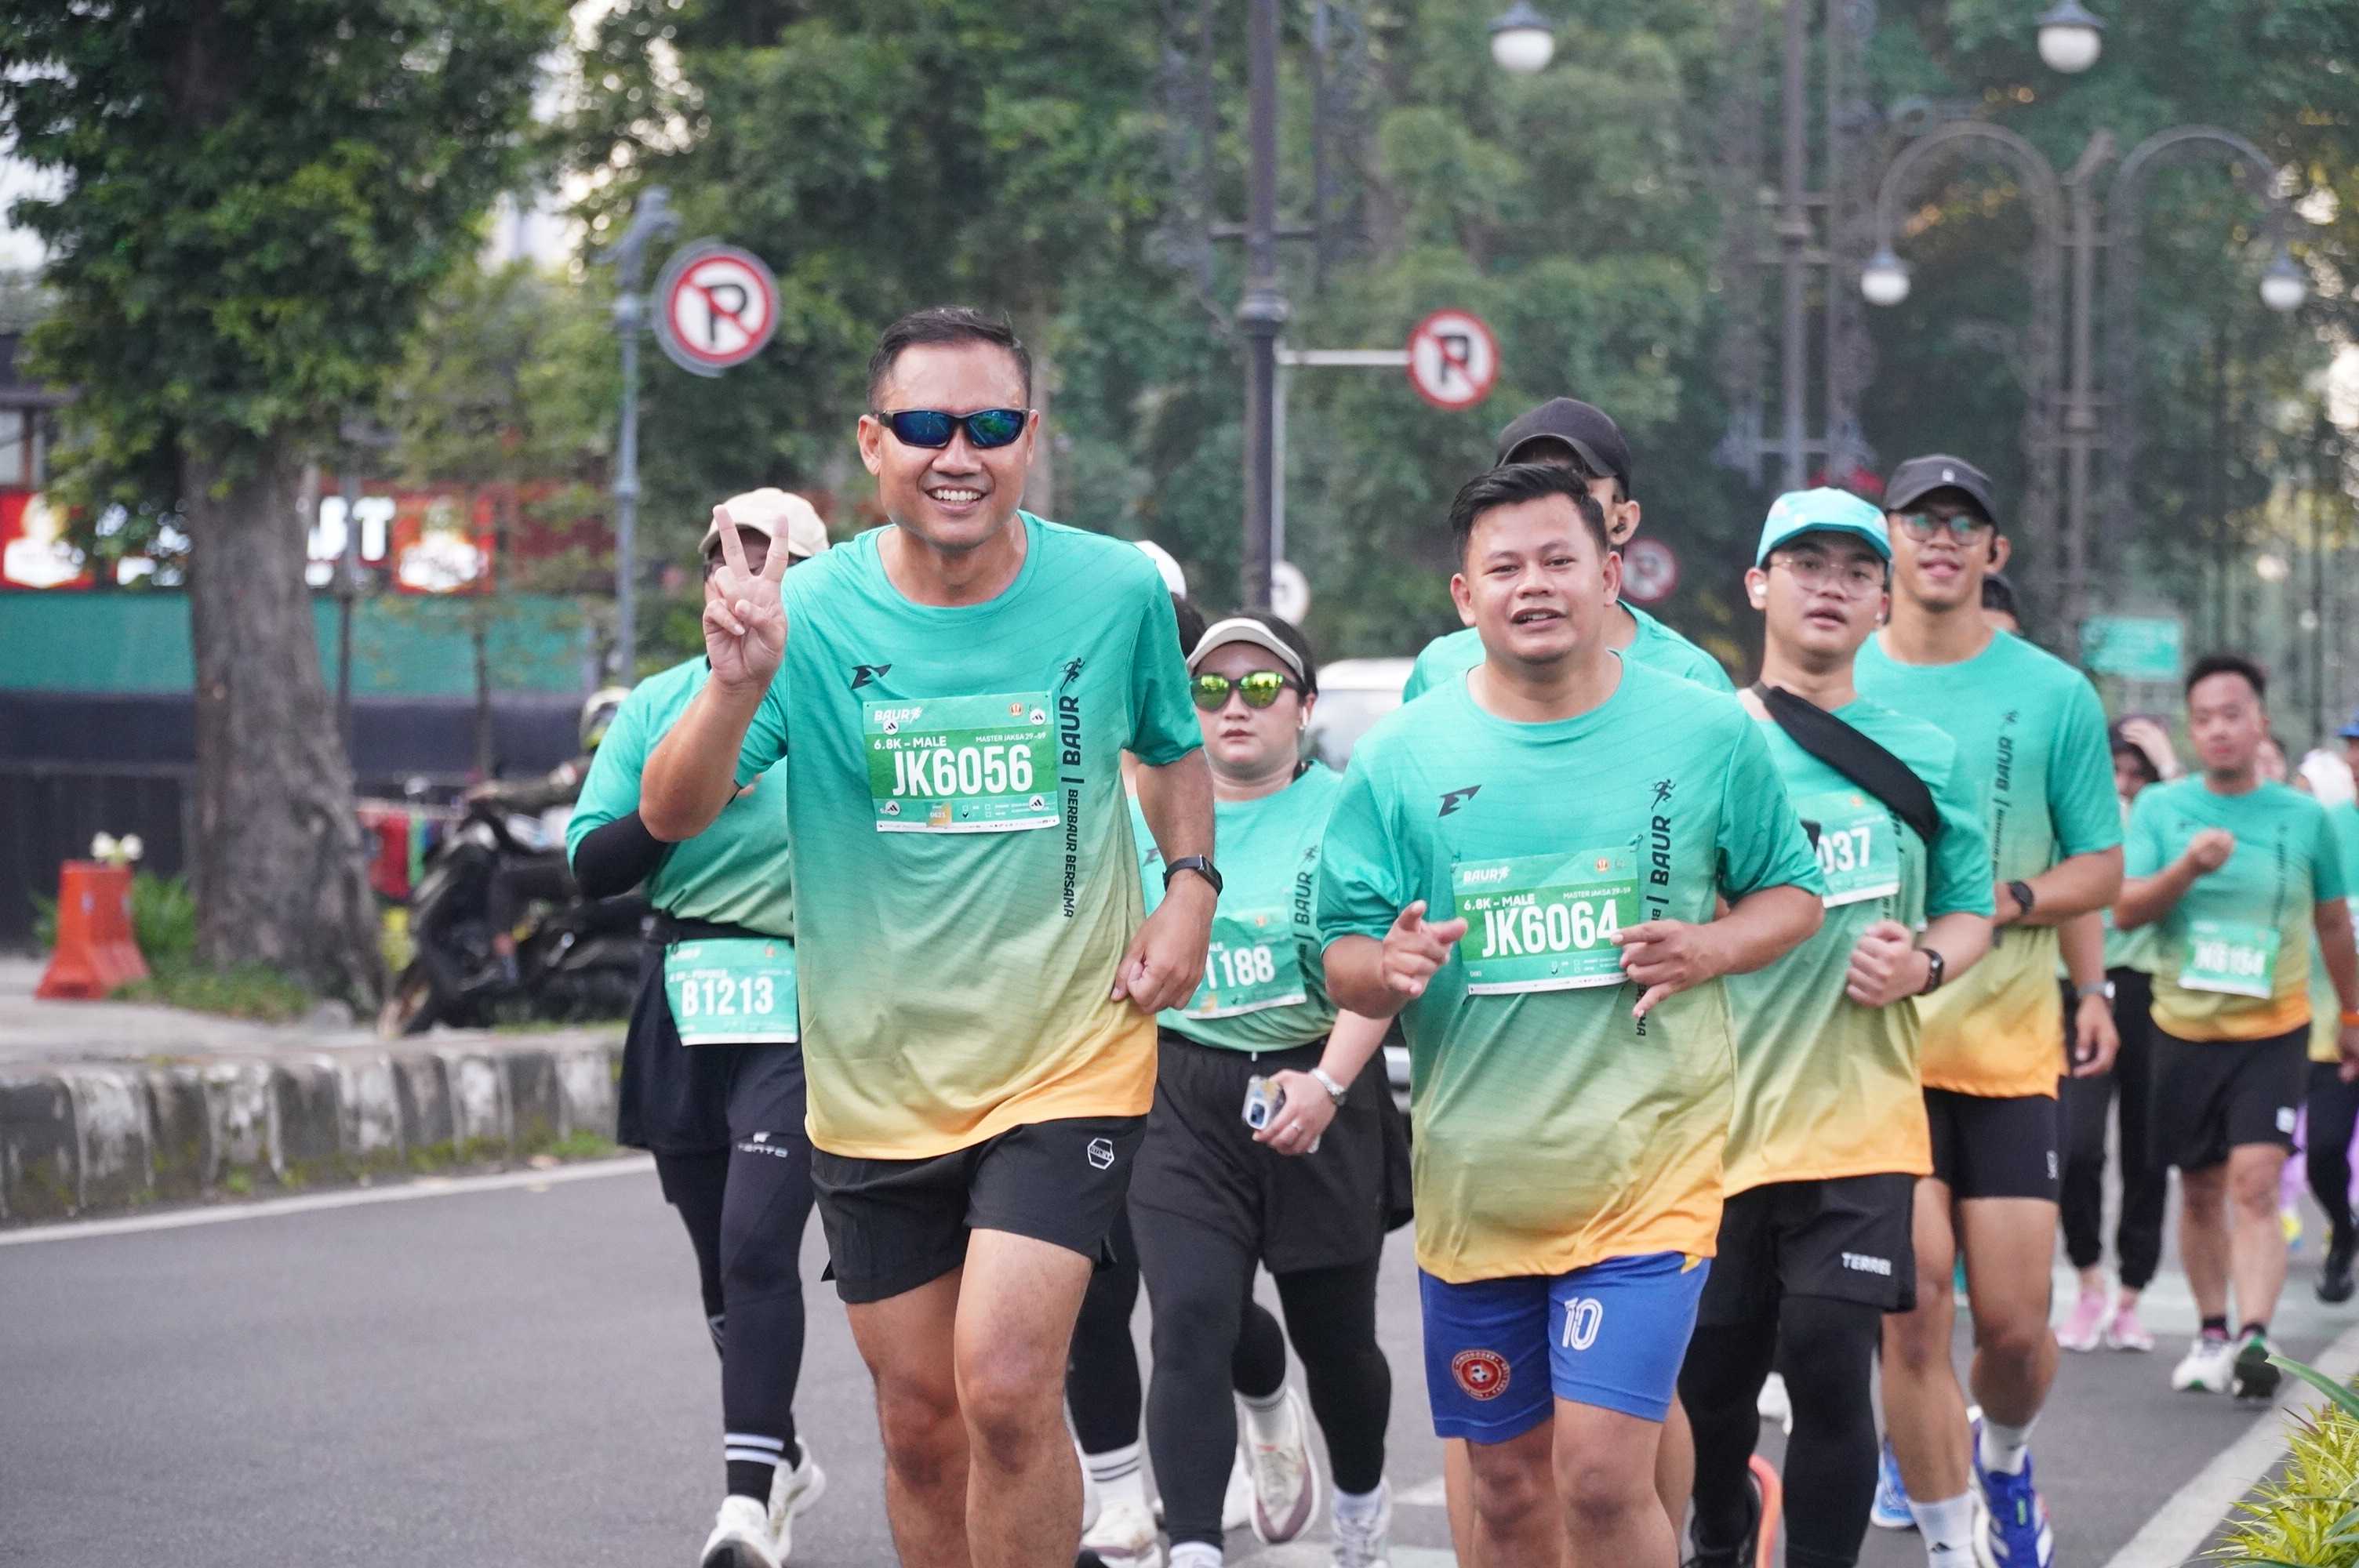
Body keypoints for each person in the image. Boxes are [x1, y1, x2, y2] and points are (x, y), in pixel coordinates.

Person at [638, 307, 1219, 1568]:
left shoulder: (1113, 589)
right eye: (925, 426)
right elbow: (671, 815)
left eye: (991, 424)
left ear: (1029, 440)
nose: (959, 454)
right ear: (873, 444)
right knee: (921, 1426)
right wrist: (734, 686)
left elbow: (1174, 745)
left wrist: (1190, 887)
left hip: (1066, 1057)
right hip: (875, 1078)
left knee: (1005, 1387)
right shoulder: (810, 615)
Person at [1318, 461, 1825, 1568]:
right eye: (1505, 567)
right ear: (1465, 597)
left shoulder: (1705, 732)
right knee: (1506, 1489)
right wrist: (1384, 967)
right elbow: (1339, 959)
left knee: (1597, 1473)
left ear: (1609, 576)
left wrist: (1708, 946)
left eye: (1559, 560)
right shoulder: (1403, 755)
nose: (1534, 585)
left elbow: (1793, 894)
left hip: (1645, 1174)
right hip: (1480, 1187)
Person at [1404, 395, 1724, 1562]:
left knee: (1610, 1448)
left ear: (1616, 529)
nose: (1537, 563)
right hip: (1484, 1131)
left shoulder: (1690, 687)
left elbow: (1748, 887)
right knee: (1500, 1456)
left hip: (1639, 1119)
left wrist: (1704, 949)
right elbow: (1401, 883)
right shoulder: (1438, 682)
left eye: (1574, 498)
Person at [1678, 491, 1994, 1568]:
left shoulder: (1926, 755)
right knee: (1712, 1389)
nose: (1830, 586)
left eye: (1857, 571)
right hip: (1711, 1123)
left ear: (1882, 602)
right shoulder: (1706, 743)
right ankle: (1721, 1526)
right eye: (1804, 564)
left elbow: (1970, 908)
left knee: (1826, 1357)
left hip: (1860, 1120)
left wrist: (1924, 963)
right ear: (1758, 585)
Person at [1852, 454, 2123, 1568]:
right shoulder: (1840, 676)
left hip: (2007, 1053)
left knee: (2011, 1330)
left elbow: (2099, 865)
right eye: (1921, 520)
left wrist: (2016, 913)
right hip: (1875, 1056)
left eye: (1963, 523)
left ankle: (2002, 1456)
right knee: (1913, 1303)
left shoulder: (2054, 695)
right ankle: (1947, 1533)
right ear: (1888, 540)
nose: (1941, 538)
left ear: (1993, 551)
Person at [566, 489, 833, 1568]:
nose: (750, 576)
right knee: (721, 1268)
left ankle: (743, 1507)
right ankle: (781, 1452)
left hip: (809, 999)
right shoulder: (659, 704)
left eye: (776, 561)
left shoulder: (850, 706)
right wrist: (682, 795)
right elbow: (590, 867)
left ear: (819, 584)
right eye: (731, 555)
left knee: (758, 1243)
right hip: (684, 991)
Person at [1125, 611, 1401, 1568]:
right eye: (1209, 688)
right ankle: (1196, 1547)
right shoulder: (1142, 806)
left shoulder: (1348, 809)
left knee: (1338, 1345)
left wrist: (1327, 1081)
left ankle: (1360, 1504)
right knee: (1187, 1319)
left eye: (1259, 686)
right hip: (1181, 1089)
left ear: (1303, 705)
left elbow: (1380, 965)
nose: (1232, 706)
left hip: (1318, 1078)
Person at [1072, 588, 1302, 1568]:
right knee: (1085, 1289)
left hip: (1189, 1074)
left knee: (1194, 1301)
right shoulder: (1073, 771)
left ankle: (1264, 1390)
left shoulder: (1188, 783)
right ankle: (1122, 1497)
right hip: (1078, 1070)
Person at [2115, 654, 2359, 1396]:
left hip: (2273, 1032)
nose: (2219, 730)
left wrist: (2352, 1014)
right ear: (2191, 731)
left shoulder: (2305, 818)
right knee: (2199, 1189)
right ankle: (2212, 1331)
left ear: (2260, 722)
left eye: (2233, 714)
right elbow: (2126, 910)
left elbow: (2332, 924)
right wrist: (2187, 868)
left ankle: (2256, 1337)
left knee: (2255, 1184)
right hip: (2182, 1031)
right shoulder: (2162, 810)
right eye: (2204, 719)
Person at [1400, 397, 1733, 701]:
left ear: (1623, 520)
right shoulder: (1442, 670)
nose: (1550, 506)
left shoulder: (1690, 679)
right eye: (1526, 488)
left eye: (1577, 490)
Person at [2054, 721, 2179, 1355]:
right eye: (2117, 769)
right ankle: (2087, 1279)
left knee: (2147, 1149)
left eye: (2138, 773)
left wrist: (2168, 770)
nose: (2125, 782)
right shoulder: (2068, 809)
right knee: (2077, 1146)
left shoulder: (2161, 815)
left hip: (2143, 989)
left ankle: (2131, 1294)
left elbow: (2200, 834)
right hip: (2074, 988)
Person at [471, 686, 629, 988]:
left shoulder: (593, 767)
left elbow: (545, 793)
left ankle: (504, 970)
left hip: (591, 870)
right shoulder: (640, 767)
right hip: (628, 871)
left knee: (506, 881)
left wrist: (495, 793)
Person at [2312, 713, 2359, 1302]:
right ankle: (2343, 1233)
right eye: (2352, 748)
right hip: (2335, 1026)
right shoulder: (2324, 828)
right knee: (2323, 1149)